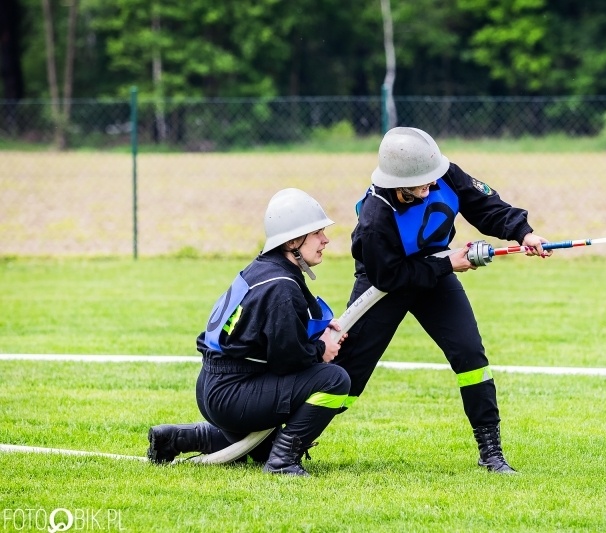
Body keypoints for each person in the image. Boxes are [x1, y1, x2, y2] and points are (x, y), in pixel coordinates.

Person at [332, 126, 552, 474]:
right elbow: (390, 276)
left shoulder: (443, 173)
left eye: (433, 178)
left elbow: (484, 206)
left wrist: (523, 232)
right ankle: (288, 442)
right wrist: (450, 262)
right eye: (422, 184)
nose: (432, 186)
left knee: (470, 355)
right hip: (383, 283)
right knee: (346, 375)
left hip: (436, 274)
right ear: (398, 183)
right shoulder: (374, 218)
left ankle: (490, 452)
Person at [147, 188, 350, 477]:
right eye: (317, 233)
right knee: (334, 380)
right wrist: (322, 350)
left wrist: (318, 334)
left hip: (214, 385)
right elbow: (288, 362)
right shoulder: (281, 286)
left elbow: (274, 335)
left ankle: (176, 438)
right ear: (293, 240)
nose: (326, 240)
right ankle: (283, 462)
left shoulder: (267, 269)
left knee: (258, 447)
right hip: (232, 393)